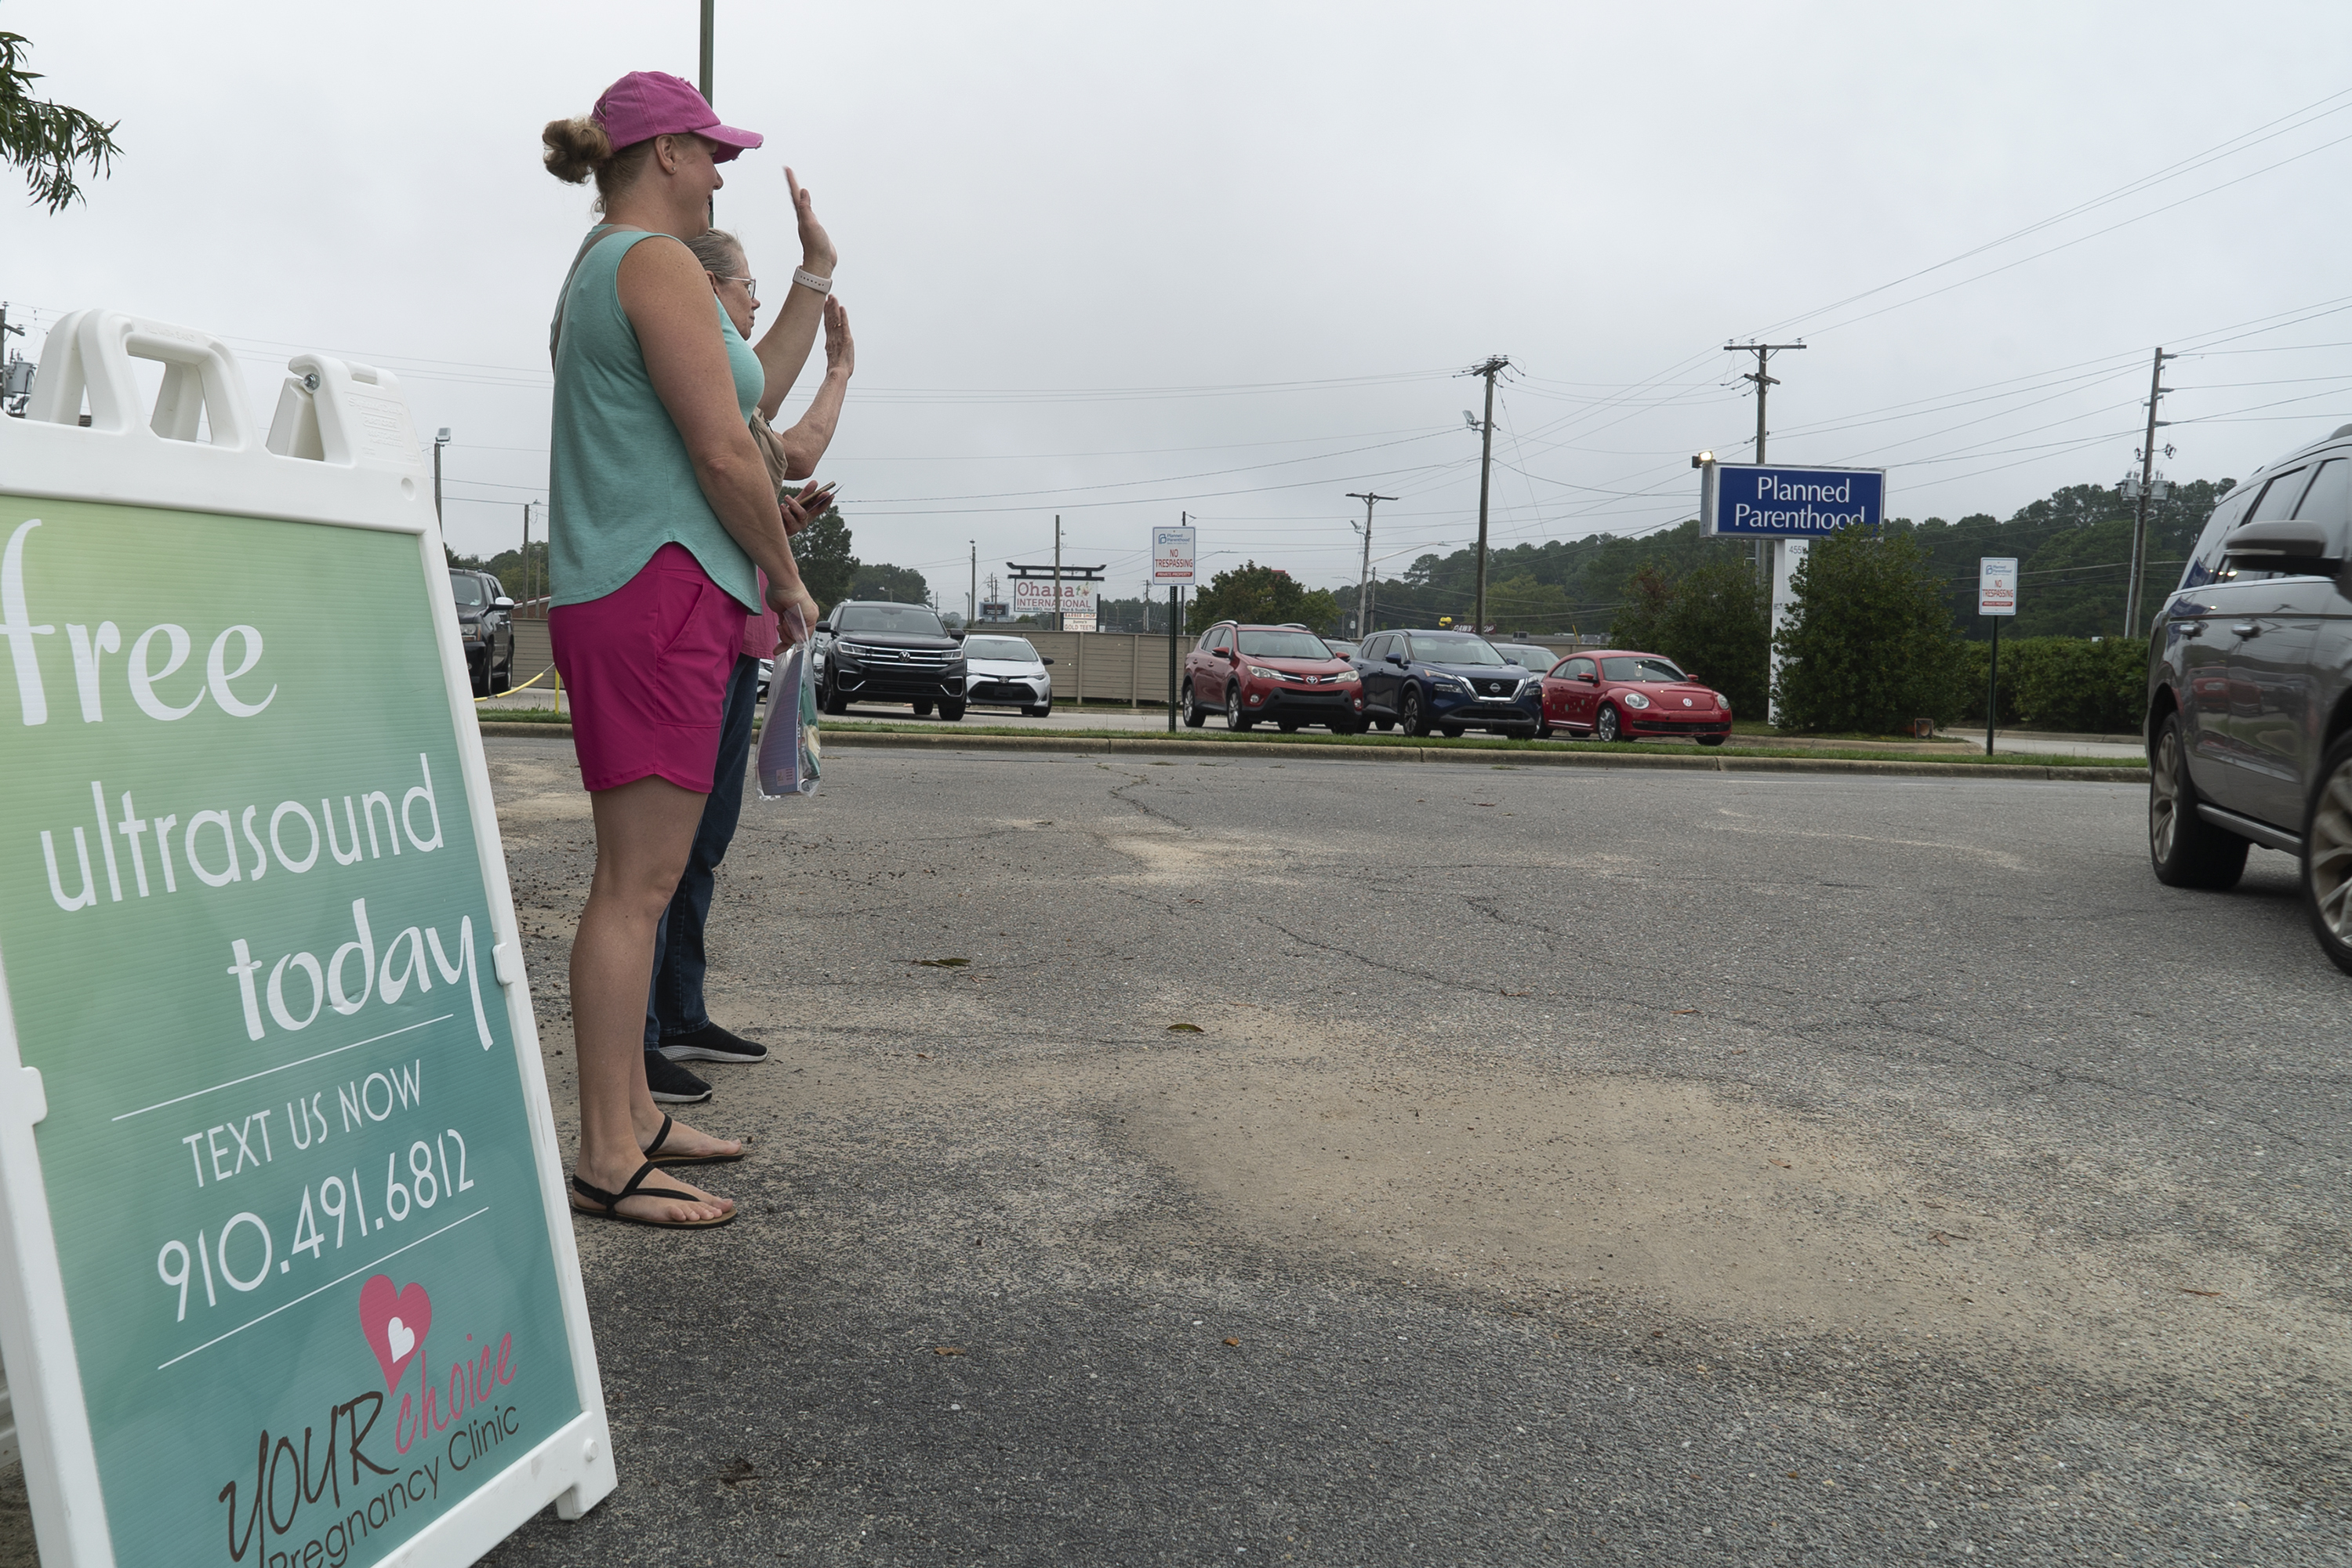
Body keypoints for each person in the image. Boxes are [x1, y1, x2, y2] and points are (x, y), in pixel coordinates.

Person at [539, 71, 821, 1228]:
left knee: (642, 884)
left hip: (658, 587)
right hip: (653, 591)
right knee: (635, 884)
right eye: (712, 154)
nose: (720, 175)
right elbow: (721, 453)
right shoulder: (649, 263)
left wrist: (814, 278)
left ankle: (635, 1119)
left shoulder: (613, 268)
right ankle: (608, 1152)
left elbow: (734, 441)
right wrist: (793, 580)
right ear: (662, 154)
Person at [642, 218, 855, 1103]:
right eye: (747, 288)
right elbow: (766, 450)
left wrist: (775, 528)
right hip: (682, 628)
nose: (756, 300)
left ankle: (680, 1010)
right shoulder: (695, 379)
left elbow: (782, 457)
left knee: (706, 838)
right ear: (709, 293)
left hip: (734, 635)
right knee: (656, 849)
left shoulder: (735, 399)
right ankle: (639, 1034)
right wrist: (837, 363)